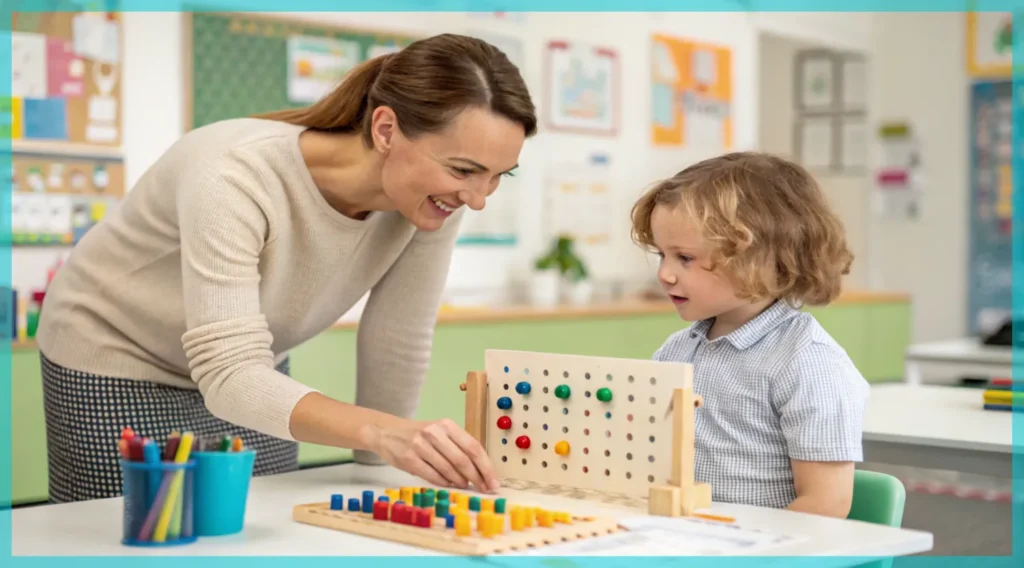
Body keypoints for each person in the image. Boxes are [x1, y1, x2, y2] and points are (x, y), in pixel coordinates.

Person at [36, 33, 537, 504]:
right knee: (138, 536)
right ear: (386, 129)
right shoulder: (234, 172)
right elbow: (228, 372)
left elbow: (397, 338)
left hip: (251, 368)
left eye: (497, 177)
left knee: (263, 528)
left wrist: (383, 464)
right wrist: (385, 433)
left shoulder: (432, 201)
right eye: (464, 170)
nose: (477, 199)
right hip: (118, 354)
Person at [629, 152, 869, 518]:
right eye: (662, 255)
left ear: (758, 256)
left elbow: (826, 505)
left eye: (685, 258)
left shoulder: (809, 362)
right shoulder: (675, 351)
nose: (664, 273)